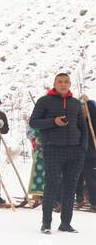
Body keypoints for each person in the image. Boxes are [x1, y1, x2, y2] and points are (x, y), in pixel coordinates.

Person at [29, 73, 90, 233]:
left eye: (66, 82)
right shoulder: (44, 101)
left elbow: (83, 128)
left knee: (70, 186)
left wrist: (83, 148)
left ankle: (65, 223)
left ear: (70, 84)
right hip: (53, 149)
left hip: (75, 151)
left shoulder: (76, 103)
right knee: (52, 184)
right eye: (60, 82)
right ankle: (46, 223)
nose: (63, 84)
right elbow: (33, 121)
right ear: (55, 84)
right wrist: (53, 122)